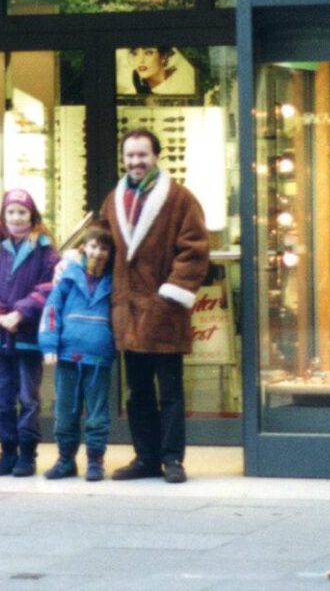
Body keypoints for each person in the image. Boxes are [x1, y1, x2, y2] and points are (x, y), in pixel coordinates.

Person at [97, 127, 210, 483]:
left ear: (156, 156)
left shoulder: (180, 199)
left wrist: (170, 293)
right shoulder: (113, 200)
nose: (135, 162)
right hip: (129, 312)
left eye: (142, 155)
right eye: (130, 156)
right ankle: (145, 458)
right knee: (137, 392)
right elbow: (102, 243)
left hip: (164, 312)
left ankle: (172, 459)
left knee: (171, 391)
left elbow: (194, 250)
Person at [0, 188, 59, 478]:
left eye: (22, 212)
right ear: (3, 215)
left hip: (27, 336)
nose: (17, 218)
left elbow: (49, 287)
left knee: (28, 397)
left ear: (32, 216)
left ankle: (27, 452)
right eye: (11, 212)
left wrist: (21, 311)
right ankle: (7, 448)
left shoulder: (45, 251)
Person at [39, 224, 117, 481]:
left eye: (104, 248)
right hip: (67, 356)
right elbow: (52, 310)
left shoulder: (114, 282)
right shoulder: (68, 276)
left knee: (97, 414)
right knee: (64, 412)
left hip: (98, 360)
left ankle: (95, 460)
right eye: (94, 246)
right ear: (84, 247)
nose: (98, 253)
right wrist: (49, 344)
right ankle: (65, 459)